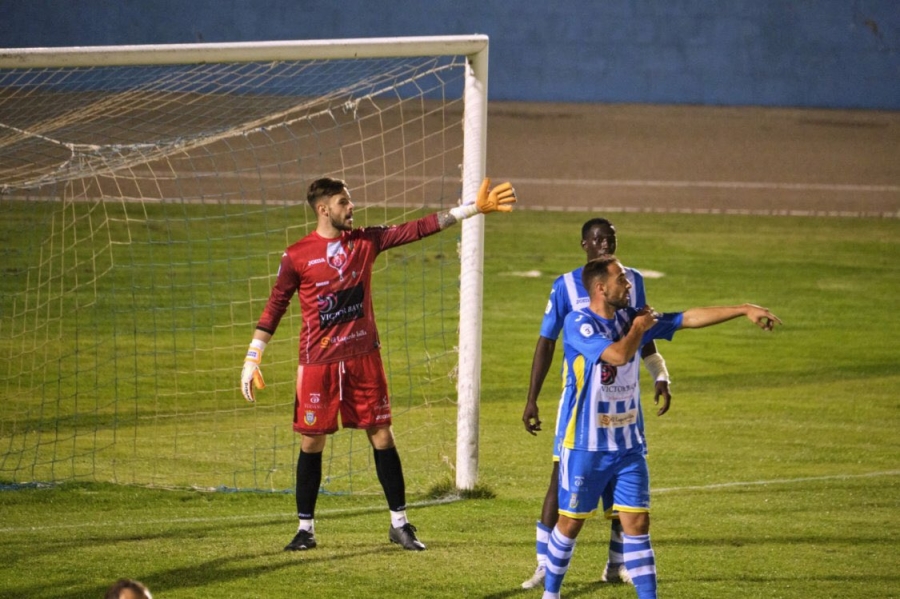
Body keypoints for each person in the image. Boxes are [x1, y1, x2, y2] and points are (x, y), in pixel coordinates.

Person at [240, 176, 516, 552]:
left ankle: (399, 524)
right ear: (324, 209)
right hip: (317, 365)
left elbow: (417, 229)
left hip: (363, 359)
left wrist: (471, 209)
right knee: (311, 443)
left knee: (382, 436)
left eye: (349, 201)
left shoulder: (365, 242)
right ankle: (305, 530)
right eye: (343, 202)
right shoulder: (297, 256)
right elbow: (276, 305)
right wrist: (252, 357)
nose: (351, 207)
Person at [542, 255, 781, 599]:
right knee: (570, 524)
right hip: (586, 447)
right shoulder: (580, 324)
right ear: (600, 288)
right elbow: (618, 356)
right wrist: (639, 328)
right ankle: (550, 594)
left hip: (628, 447)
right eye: (621, 280)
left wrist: (744, 309)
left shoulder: (630, 316)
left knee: (638, 525)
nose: (628, 285)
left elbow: (686, 318)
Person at [521, 218, 672, 589]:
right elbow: (547, 341)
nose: (605, 244)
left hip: (621, 406)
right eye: (597, 239)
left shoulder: (630, 280)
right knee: (561, 481)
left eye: (611, 239)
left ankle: (616, 564)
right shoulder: (566, 286)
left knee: (625, 492)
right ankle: (545, 565)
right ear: (584, 245)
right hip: (581, 404)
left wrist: (659, 372)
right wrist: (532, 399)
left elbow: (639, 331)